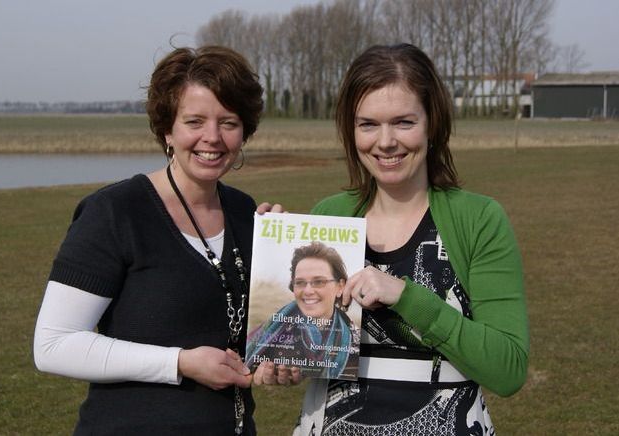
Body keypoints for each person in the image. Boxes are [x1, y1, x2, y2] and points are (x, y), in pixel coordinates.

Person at [256, 44, 529, 435]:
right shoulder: (330, 215)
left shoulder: (480, 220)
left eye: (403, 122)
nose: (385, 142)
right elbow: (312, 346)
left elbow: (508, 370)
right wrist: (274, 247)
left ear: (432, 123)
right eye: (368, 124)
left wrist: (407, 297)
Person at [33, 45, 264, 435]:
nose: (213, 137)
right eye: (195, 121)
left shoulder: (246, 212)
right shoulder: (115, 212)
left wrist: (283, 248)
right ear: (167, 129)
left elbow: (252, 330)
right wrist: (179, 362)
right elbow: (53, 345)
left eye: (228, 122)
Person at [246, 241, 359, 379]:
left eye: (319, 282)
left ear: (340, 287)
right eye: (300, 283)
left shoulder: (355, 342)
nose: (308, 291)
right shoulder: (274, 333)